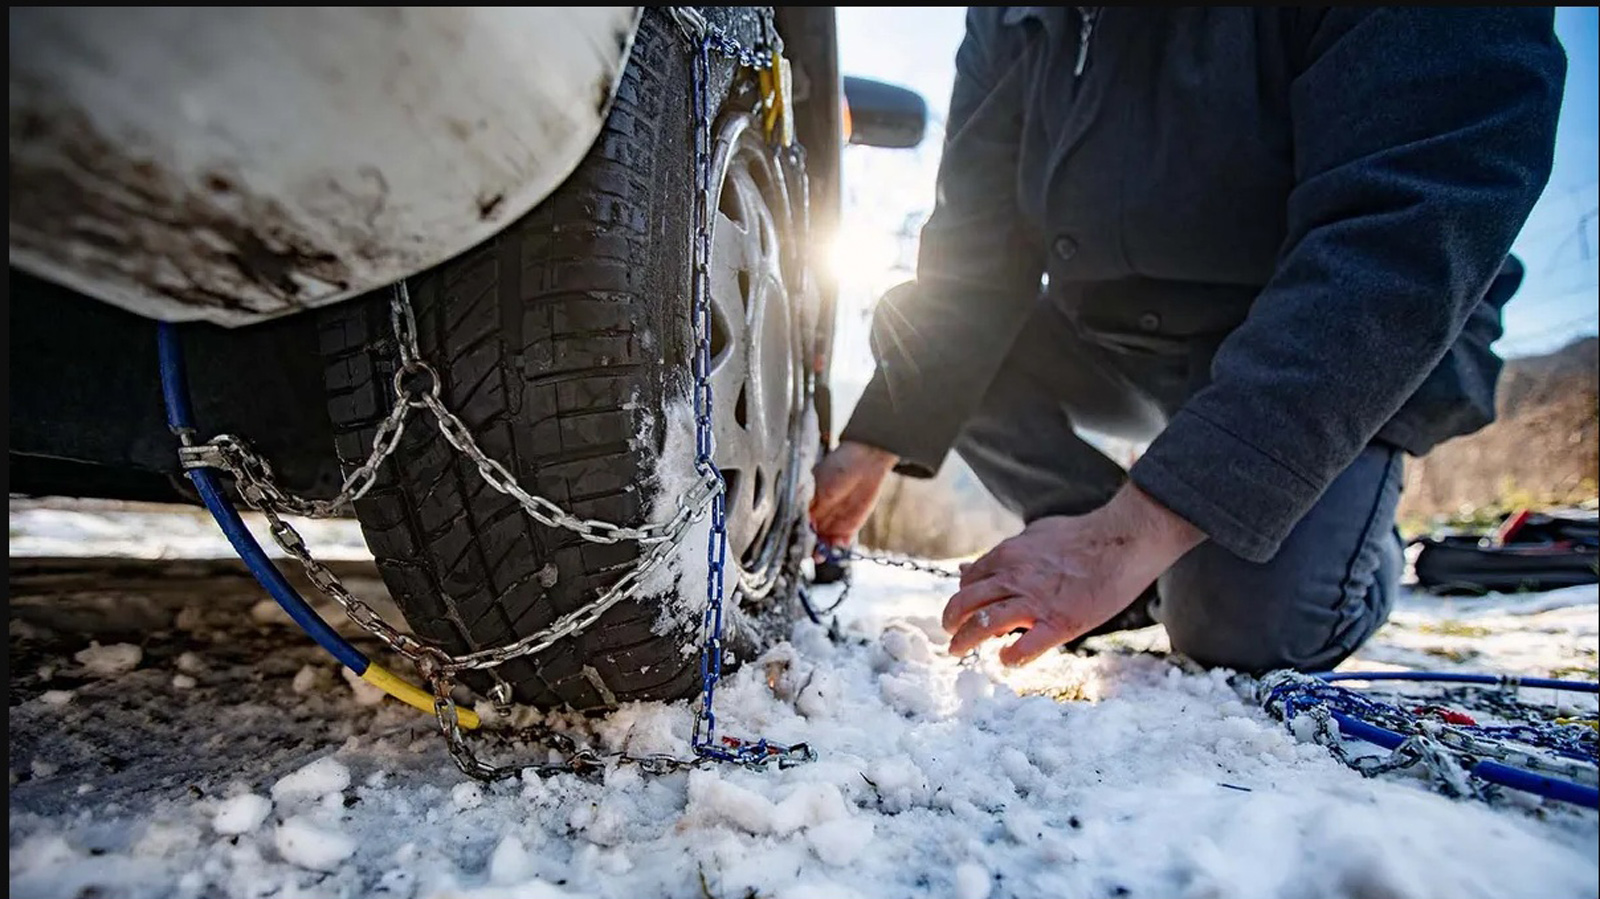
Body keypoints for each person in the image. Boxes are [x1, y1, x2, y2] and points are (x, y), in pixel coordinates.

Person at [810, 8, 1566, 672]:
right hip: (1118, 339)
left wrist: (1133, 532)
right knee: (914, 323)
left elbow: (1408, 230)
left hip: (1329, 340)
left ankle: (1339, 533)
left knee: (1244, 628)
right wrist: (881, 434)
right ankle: (1116, 548)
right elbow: (975, 244)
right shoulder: (1010, 15)